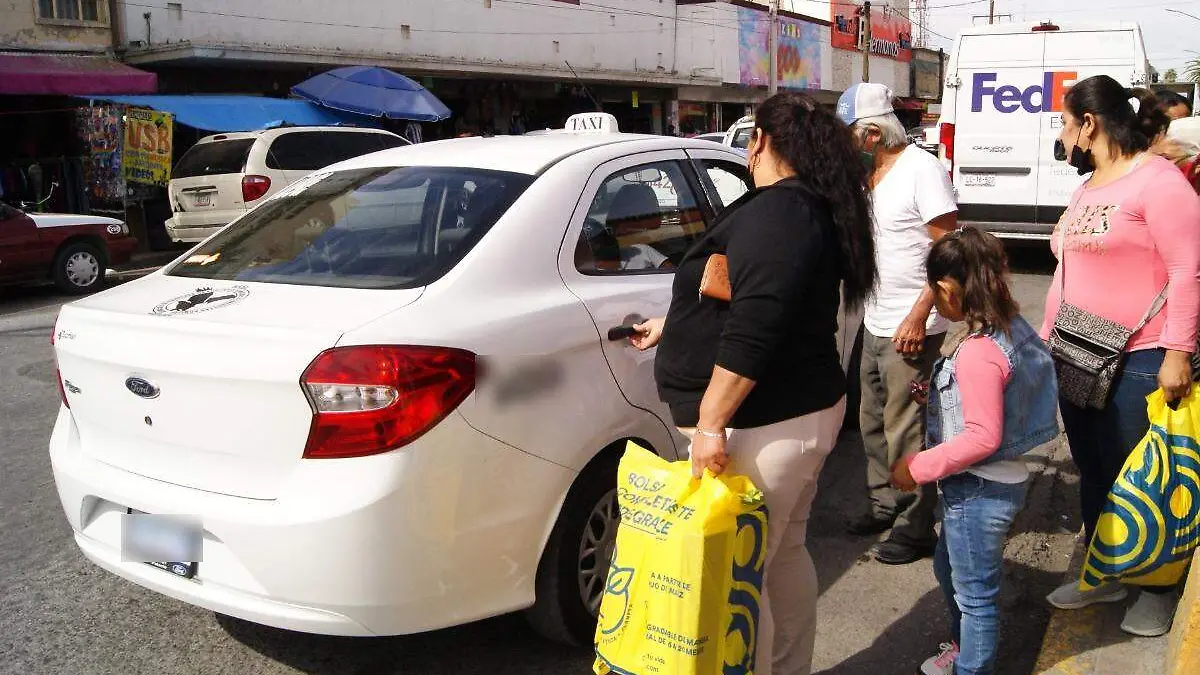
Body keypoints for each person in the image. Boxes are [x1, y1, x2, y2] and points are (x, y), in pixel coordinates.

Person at [629, 91, 876, 675]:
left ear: (760, 140)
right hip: (791, 414)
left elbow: (758, 325)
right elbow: (755, 296)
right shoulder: (801, 207)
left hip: (764, 422)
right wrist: (676, 324)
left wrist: (711, 422)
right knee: (779, 552)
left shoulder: (781, 211)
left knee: (747, 576)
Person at [1042, 75, 1200, 637]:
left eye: (1065, 122)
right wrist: (1046, 342)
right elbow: (1067, 270)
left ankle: (1154, 590)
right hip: (1078, 351)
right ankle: (1106, 571)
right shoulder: (1089, 186)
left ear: (1089, 123)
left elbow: (1188, 271)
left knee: (1145, 479)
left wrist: (1178, 351)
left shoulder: (1158, 183)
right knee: (1095, 472)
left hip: (1141, 357)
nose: (1062, 134)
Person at [891, 228, 1060, 675]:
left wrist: (918, 466)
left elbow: (983, 436)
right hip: (994, 483)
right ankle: (965, 649)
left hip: (978, 490)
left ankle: (971, 666)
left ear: (947, 290)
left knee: (976, 597)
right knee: (950, 570)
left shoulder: (979, 352)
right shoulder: (1010, 328)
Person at [837, 82, 959, 565]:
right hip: (876, 320)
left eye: (849, 136)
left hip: (912, 326)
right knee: (871, 420)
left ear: (870, 133)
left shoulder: (921, 170)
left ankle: (915, 526)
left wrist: (918, 313)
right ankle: (884, 500)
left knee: (907, 427)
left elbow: (946, 249)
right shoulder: (873, 177)